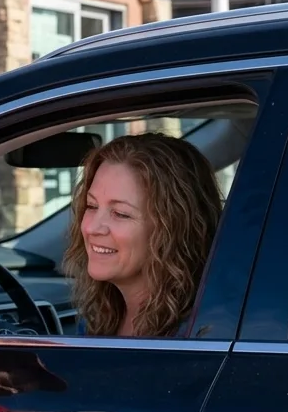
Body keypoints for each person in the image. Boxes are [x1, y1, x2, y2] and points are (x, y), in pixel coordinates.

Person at [63, 131, 224, 338]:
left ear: (172, 228)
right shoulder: (98, 315)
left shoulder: (198, 333)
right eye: (91, 206)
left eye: (120, 214)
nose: (92, 228)